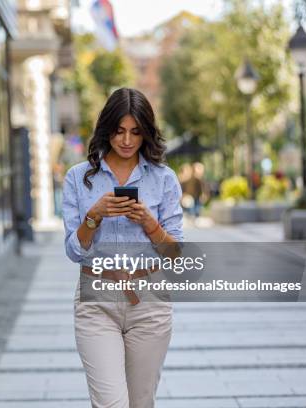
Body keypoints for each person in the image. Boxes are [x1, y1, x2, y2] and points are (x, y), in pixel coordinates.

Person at [62, 88, 184, 408]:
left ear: (146, 133)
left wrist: (149, 222)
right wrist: (94, 216)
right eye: (119, 131)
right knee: (111, 403)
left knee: (140, 402)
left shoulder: (163, 178)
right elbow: (74, 251)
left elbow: (175, 253)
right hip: (97, 298)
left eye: (135, 132)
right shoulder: (79, 178)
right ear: (106, 130)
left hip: (150, 301)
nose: (127, 140)